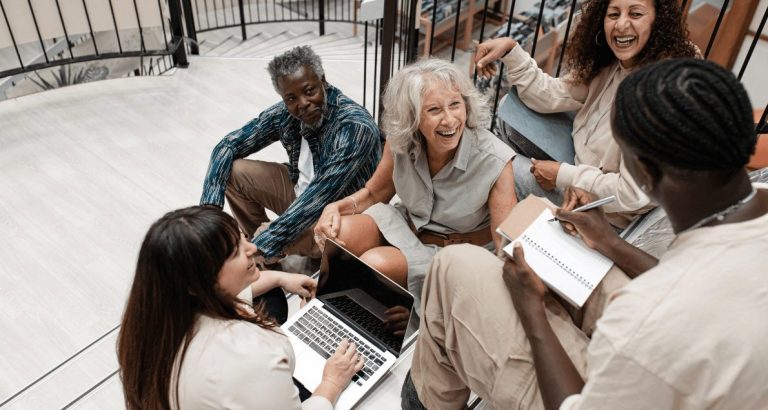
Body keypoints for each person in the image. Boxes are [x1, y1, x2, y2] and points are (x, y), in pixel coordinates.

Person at [403, 58, 768, 409]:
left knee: (454, 266)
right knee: (577, 272)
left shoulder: (646, 312)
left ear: (641, 175)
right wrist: (610, 241)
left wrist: (534, 316)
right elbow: (694, 290)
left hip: (633, 381)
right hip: (709, 351)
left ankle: (425, 400)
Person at [475, 0, 698, 228]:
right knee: (511, 118)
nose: (621, 24)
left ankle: (505, 226)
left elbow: (630, 194)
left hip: (607, 211)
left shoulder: (662, 95)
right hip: (582, 164)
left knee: (499, 164)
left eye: (635, 13)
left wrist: (562, 175)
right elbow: (552, 94)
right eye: (613, 14)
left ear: (657, 21)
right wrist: (511, 51)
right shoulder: (612, 64)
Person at [313, 58, 516, 307]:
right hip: (406, 225)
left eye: (455, 105)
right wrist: (334, 208)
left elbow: (503, 245)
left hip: (451, 253)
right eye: (434, 110)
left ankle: (379, 316)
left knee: (375, 264)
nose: (450, 119)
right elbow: (375, 194)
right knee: (339, 233)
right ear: (413, 116)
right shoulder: (401, 140)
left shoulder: (496, 160)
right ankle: (327, 309)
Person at [117, 206, 365, 409]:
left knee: (272, 296)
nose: (253, 249)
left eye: (243, 238)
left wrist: (282, 278)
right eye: (236, 252)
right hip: (250, 383)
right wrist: (331, 383)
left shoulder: (155, 319)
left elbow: (240, 295)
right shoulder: (250, 355)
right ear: (200, 280)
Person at [200, 45, 381, 265]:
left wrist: (261, 243)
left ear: (323, 80)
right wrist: (209, 211)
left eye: (309, 91)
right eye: (291, 98)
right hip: (302, 194)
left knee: (250, 250)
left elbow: (317, 199)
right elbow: (228, 145)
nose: (302, 104)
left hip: (339, 214)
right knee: (233, 170)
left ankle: (259, 257)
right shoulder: (285, 113)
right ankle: (265, 256)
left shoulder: (353, 126)